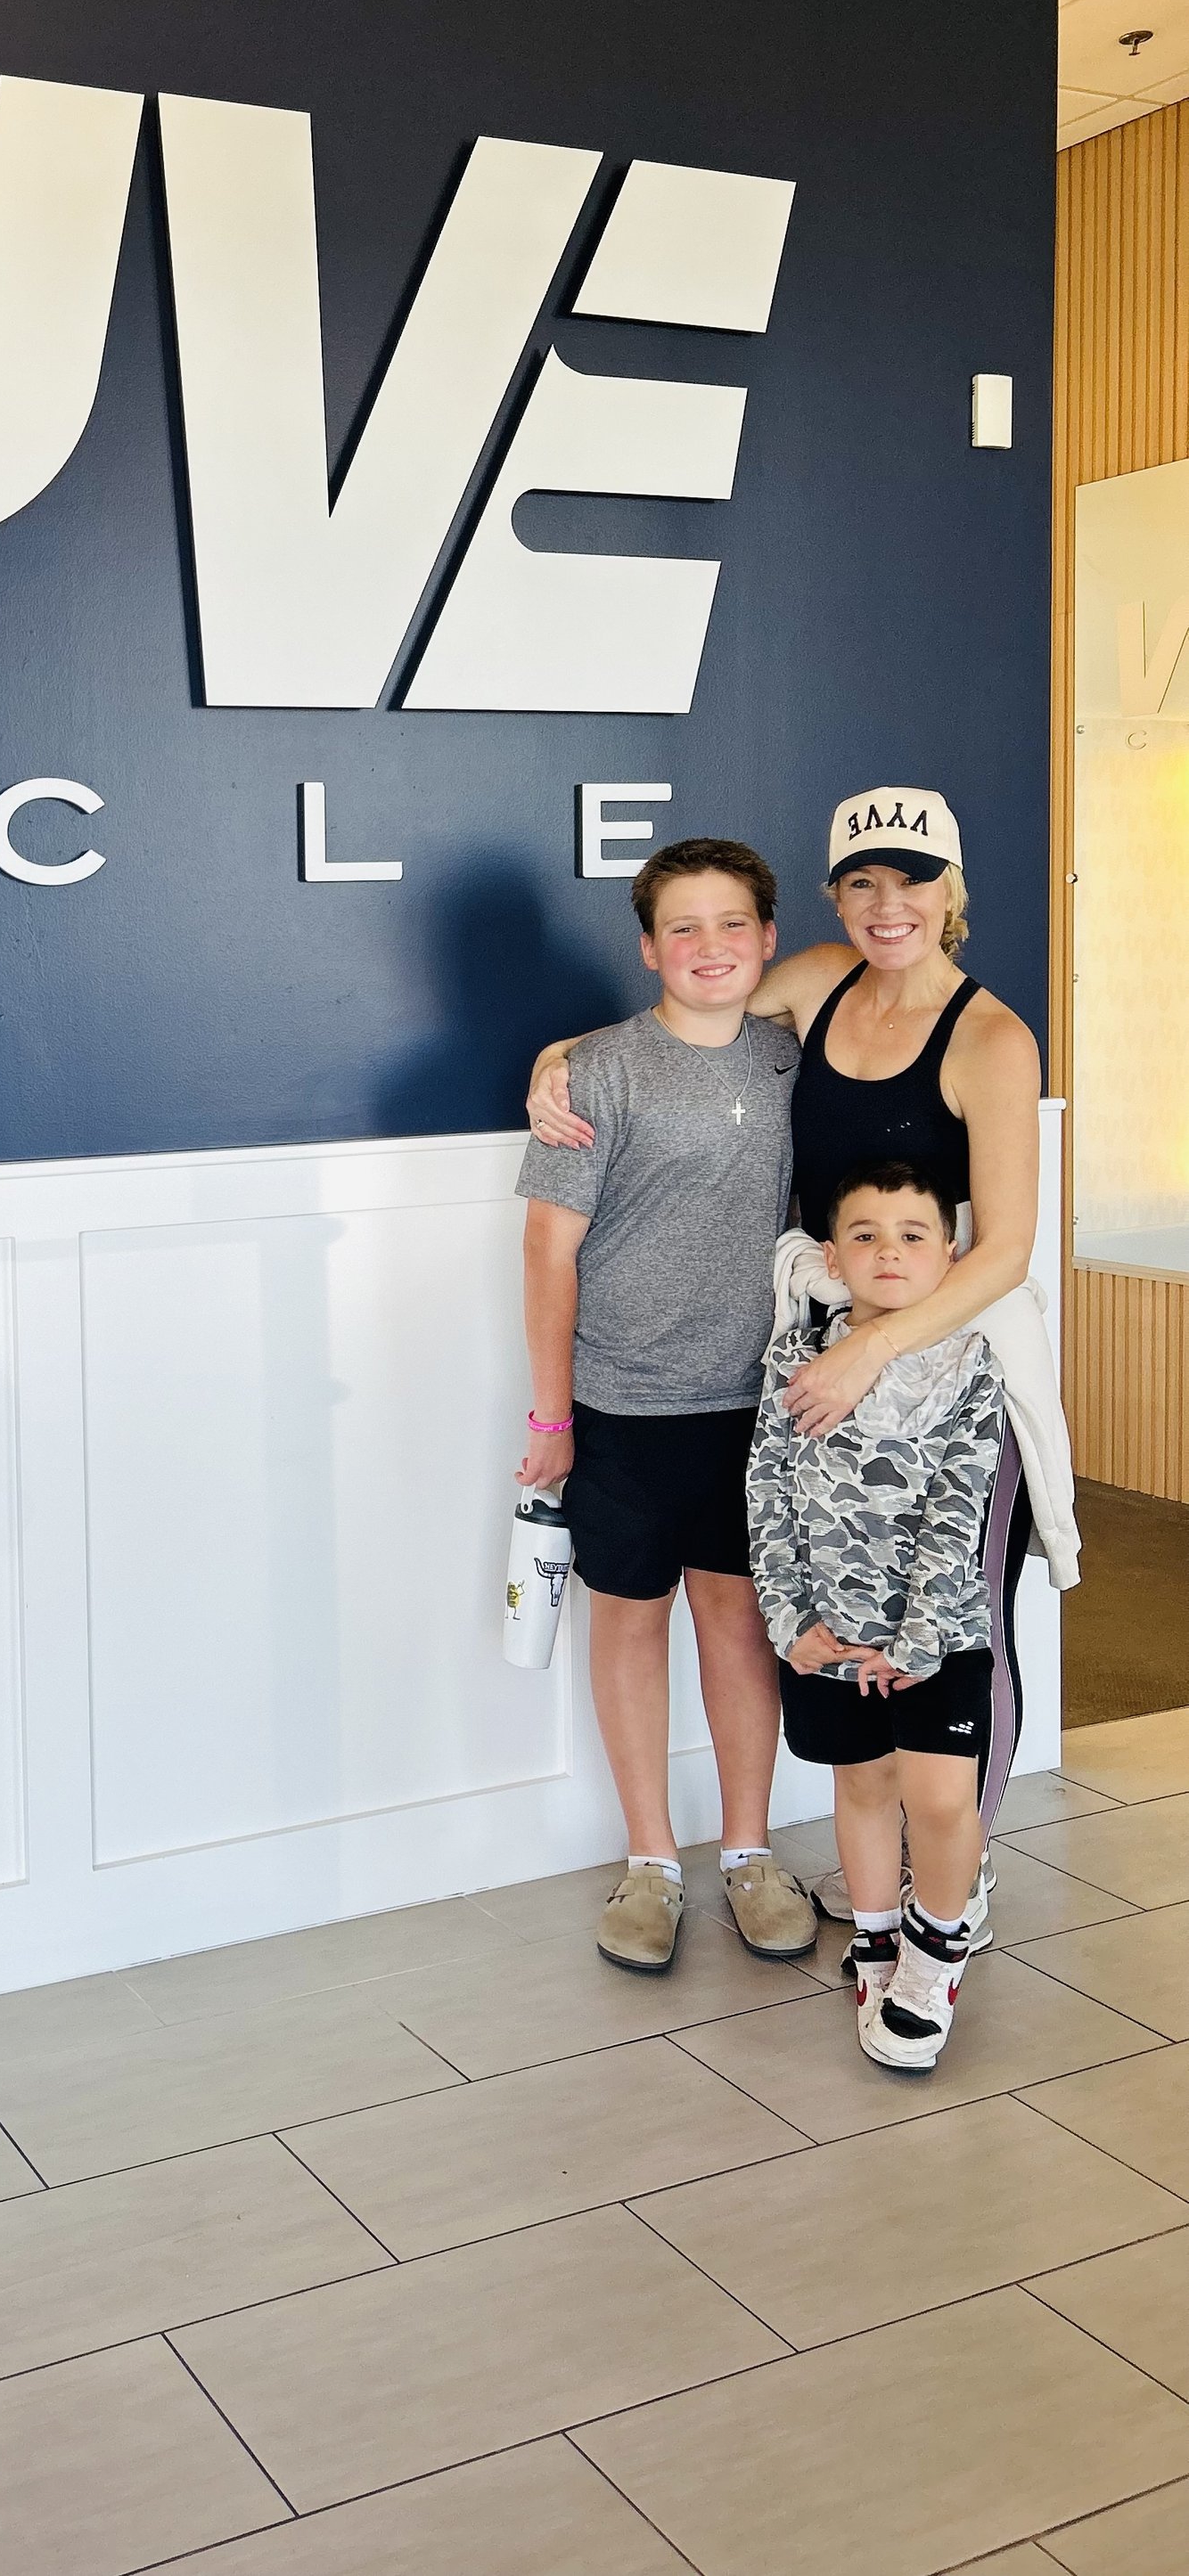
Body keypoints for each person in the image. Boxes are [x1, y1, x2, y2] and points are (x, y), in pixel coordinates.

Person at [529, 787, 1076, 1907]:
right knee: (847, 1613)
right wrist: (558, 1055)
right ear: (833, 899)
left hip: (939, 1367)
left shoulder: (990, 1037)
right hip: (810, 1367)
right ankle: (876, 1881)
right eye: (863, 882)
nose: (889, 905)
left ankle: (951, 1889)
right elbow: (679, 1010)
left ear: (950, 891)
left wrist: (870, 1356)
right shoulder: (819, 984)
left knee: (960, 1623)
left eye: (914, 881)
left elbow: (1007, 1249)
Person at [515, 837, 817, 1973]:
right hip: (624, 1404)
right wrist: (552, 1421)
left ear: (767, 940)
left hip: (760, 1405)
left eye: (731, 923)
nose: (708, 947)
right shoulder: (595, 1072)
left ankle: (746, 1852)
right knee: (630, 1622)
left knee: (738, 1627)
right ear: (647, 948)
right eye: (680, 927)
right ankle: (650, 1860)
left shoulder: (793, 1057)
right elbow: (549, 1255)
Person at [749, 1161, 1004, 2068]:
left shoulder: (971, 1366)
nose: (886, 1253)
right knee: (860, 1788)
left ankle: (934, 1960)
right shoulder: (795, 1357)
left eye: (910, 1236)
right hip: (825, 1634)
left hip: (937, 1641)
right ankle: (876, 1940)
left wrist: (920, 1640)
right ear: (831, 1255)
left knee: (938, 1801)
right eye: (863, 1235)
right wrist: (790, 1623)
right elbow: (767, 1492)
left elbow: (957, 1509)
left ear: (950, 1254)